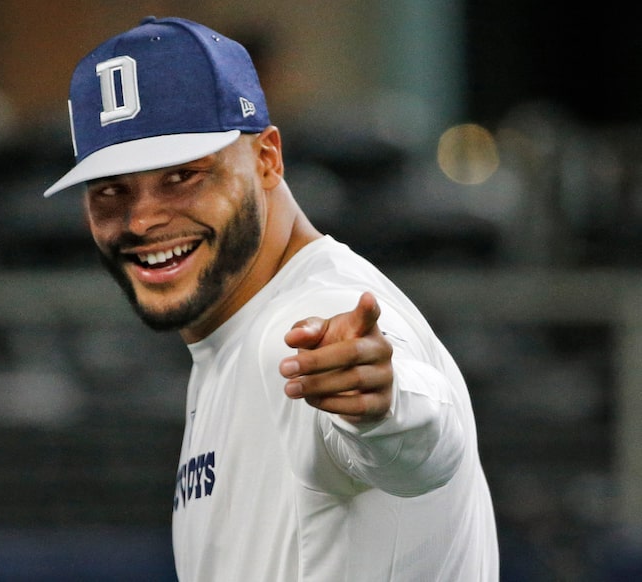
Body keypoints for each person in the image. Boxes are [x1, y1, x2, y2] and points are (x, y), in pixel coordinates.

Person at [44, 16, 498, 581]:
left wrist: (383, 404)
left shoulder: (307, 323)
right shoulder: (233, 333)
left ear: (267, 158)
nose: (142, 220)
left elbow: (423, 440)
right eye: (111, 191)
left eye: (183, 176)